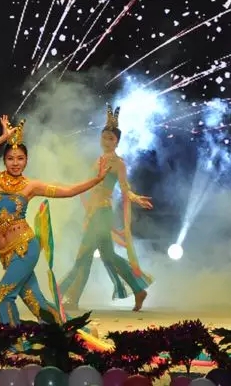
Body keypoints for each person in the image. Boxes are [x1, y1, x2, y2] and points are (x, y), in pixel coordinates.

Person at [0, 115, 111, 326]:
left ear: (26, 160)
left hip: (25, 247)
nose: (15, 163)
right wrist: (3, 138)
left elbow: (68, 191)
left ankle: (9, 337)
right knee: (34, 299)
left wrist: (97, 179)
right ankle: (62, 331)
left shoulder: (31, 186)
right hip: (6, 253)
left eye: (20, 158)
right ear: (4, 160)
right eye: (11, 158)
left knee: (4, 292)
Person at [59, 105, 154, 313]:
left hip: (102, 213)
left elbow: (125, 189)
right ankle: (138, 290)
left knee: (83, 255)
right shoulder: (98, 160)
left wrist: (136, 198)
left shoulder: (118, 163)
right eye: (104, 137)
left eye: (111, 138)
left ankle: (66, 295)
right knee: (108, 256)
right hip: (94, 213)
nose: (106, 141)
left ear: (117, 141)